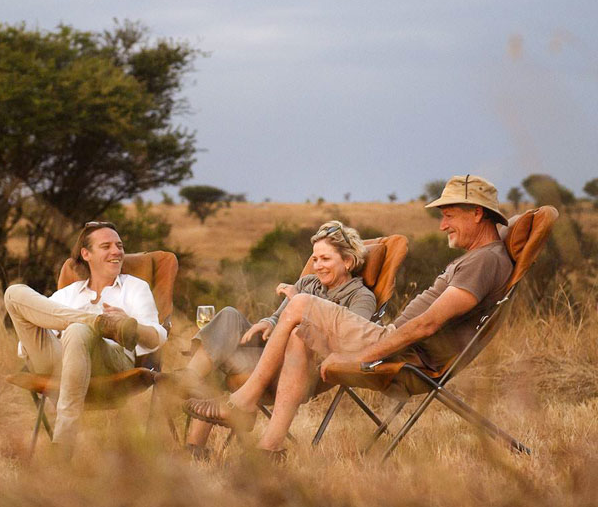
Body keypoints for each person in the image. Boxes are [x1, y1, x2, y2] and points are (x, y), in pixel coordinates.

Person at [184, 175, 513, 458]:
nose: (442, 225)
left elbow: (428, 323)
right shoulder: (481, 257)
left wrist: (368, 355)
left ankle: (242, 404)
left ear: (477, 213)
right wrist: (272, 321)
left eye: (450, 215)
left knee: (300, 305)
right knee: (298, 332)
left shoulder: (484, 261)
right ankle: (270, 449)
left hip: (396, 348)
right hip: (392, 341)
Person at [178, 221, 376, 458]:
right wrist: (267, 323)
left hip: (300, 368)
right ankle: (187, 390)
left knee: (290, 335)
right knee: (229, 316)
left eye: (325, 259)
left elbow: (349, 343)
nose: (318, 266)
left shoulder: (361, 297)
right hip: (269, 359)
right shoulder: (307, 283)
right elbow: (277, 318)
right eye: (315, 259)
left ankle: (228, 425)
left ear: (348, 261)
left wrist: (300, 303)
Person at [3, 221, 165, 450]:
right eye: (106, 246)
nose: (117, 251)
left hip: (112, 361)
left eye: (119, 245)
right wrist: (66, 327)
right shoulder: (66, 294)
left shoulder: (135, 288)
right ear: (86, 254)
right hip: (60, 358)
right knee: (13, 293)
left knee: (78, 330)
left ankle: (63, 443)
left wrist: (131, 326)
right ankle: (96, 322)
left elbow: (156, 338)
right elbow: (24, 347)